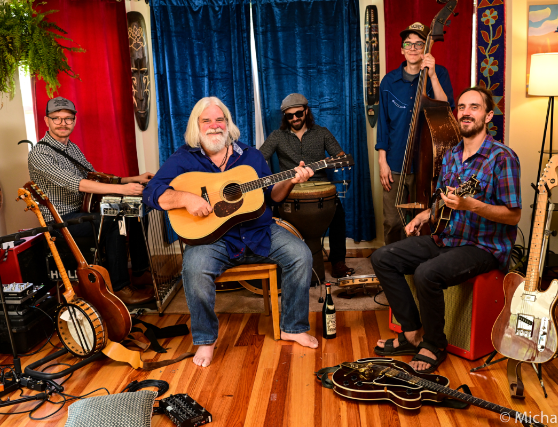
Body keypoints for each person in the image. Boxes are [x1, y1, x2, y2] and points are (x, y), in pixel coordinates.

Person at [143, 97, 319, 367]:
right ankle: (206, 339)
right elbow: (151, 192)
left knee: (301, 255)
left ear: (228, 123)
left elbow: (272, 196)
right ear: (197, 125)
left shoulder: (251, 156)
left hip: (259, 231)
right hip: (212, 240)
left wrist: (291, 181)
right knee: (194, 268)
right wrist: (185, 198)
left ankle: (292, 327)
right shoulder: (183, 158)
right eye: (207, 120)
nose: (214, 126)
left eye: (219, 119)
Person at [371, 87, 522, 373]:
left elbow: (514, 216)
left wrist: (473, 205)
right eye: (462, 107)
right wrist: (424, 215)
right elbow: (443, 201)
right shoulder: (452, 155)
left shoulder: (503, 158)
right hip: (448, 238)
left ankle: (434, 344)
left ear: (488, 115)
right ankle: (412, 332)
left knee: (426, 273)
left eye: (474, 107)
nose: (466, 112)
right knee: (382, 257)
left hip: (482, 246)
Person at [28, 96, 155, 305]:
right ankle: (120, 288)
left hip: (82, 211)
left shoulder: (71, 148)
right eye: (56, 118)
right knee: (113, 220)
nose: (62, 123)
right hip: (60, 220)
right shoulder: (39, 153)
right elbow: (77, 184)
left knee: (135, 210)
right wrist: (122, 189)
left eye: (68, 119)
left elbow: (93, 177)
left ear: (74, 121)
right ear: (46, 120)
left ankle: (140, 271)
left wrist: (132, 179)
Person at [259, 93, 355, 279]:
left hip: (320, 190)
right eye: (290, 115)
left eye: (298, 113)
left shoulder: (322, 132)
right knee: (273, 218)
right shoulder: (277, 136)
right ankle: (281, 263)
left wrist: (328, 162)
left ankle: (338, 262)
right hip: (290, 190)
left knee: (338, 215)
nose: (295, 118)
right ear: (285, 117)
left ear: (306, 111)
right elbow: (258, 158)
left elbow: (341, 156)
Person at [376, 22, 455, 245]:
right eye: (408, 44)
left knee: (426, 222)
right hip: (395, 162)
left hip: (427, 165)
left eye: (419, 44)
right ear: (401, 49)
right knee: (393, 221)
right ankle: (391, 260)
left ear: (426, 48)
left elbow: (446, 110)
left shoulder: (440, 73)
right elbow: (383, 124)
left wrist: (432, 76)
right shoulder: (389, 81)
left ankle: (420, 264)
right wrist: (382, 161)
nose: (413, 48)